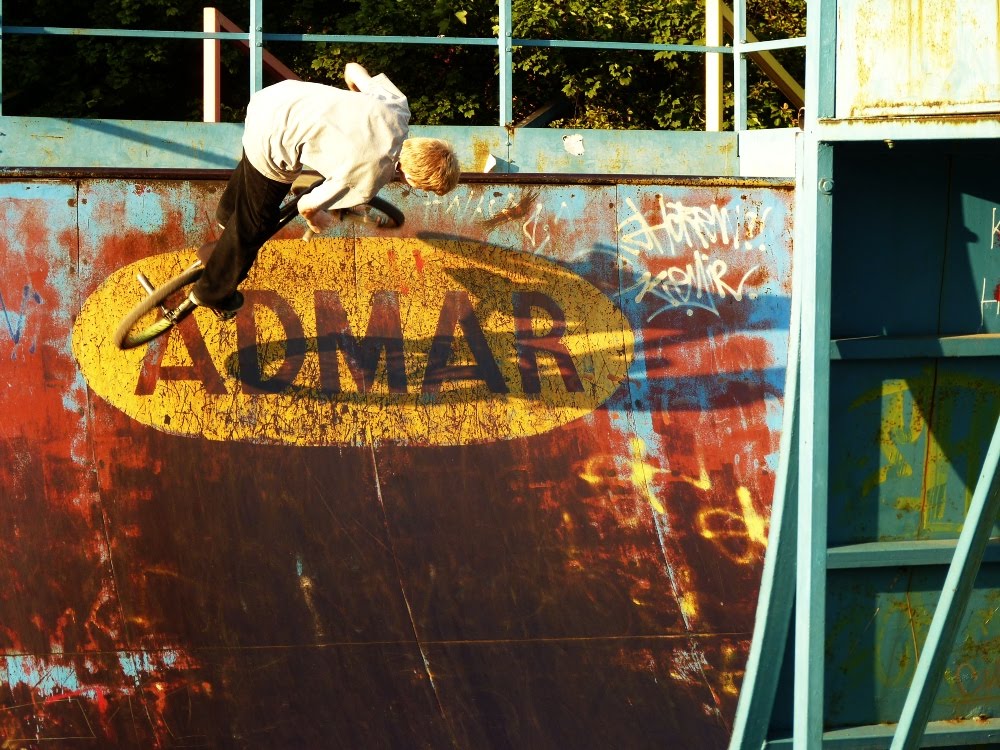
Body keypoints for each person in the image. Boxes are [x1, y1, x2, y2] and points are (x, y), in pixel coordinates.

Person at [189, 62, 461, 318]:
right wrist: (314, 217)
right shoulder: (369, 176)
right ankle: (212, 291)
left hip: (274, 100)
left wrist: (357, 107)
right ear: (414, 178)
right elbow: (305, 204)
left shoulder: (397, 107)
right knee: (257, 223)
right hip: (274, 138)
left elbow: (352, 69)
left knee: (251, 190)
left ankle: (225, 224)